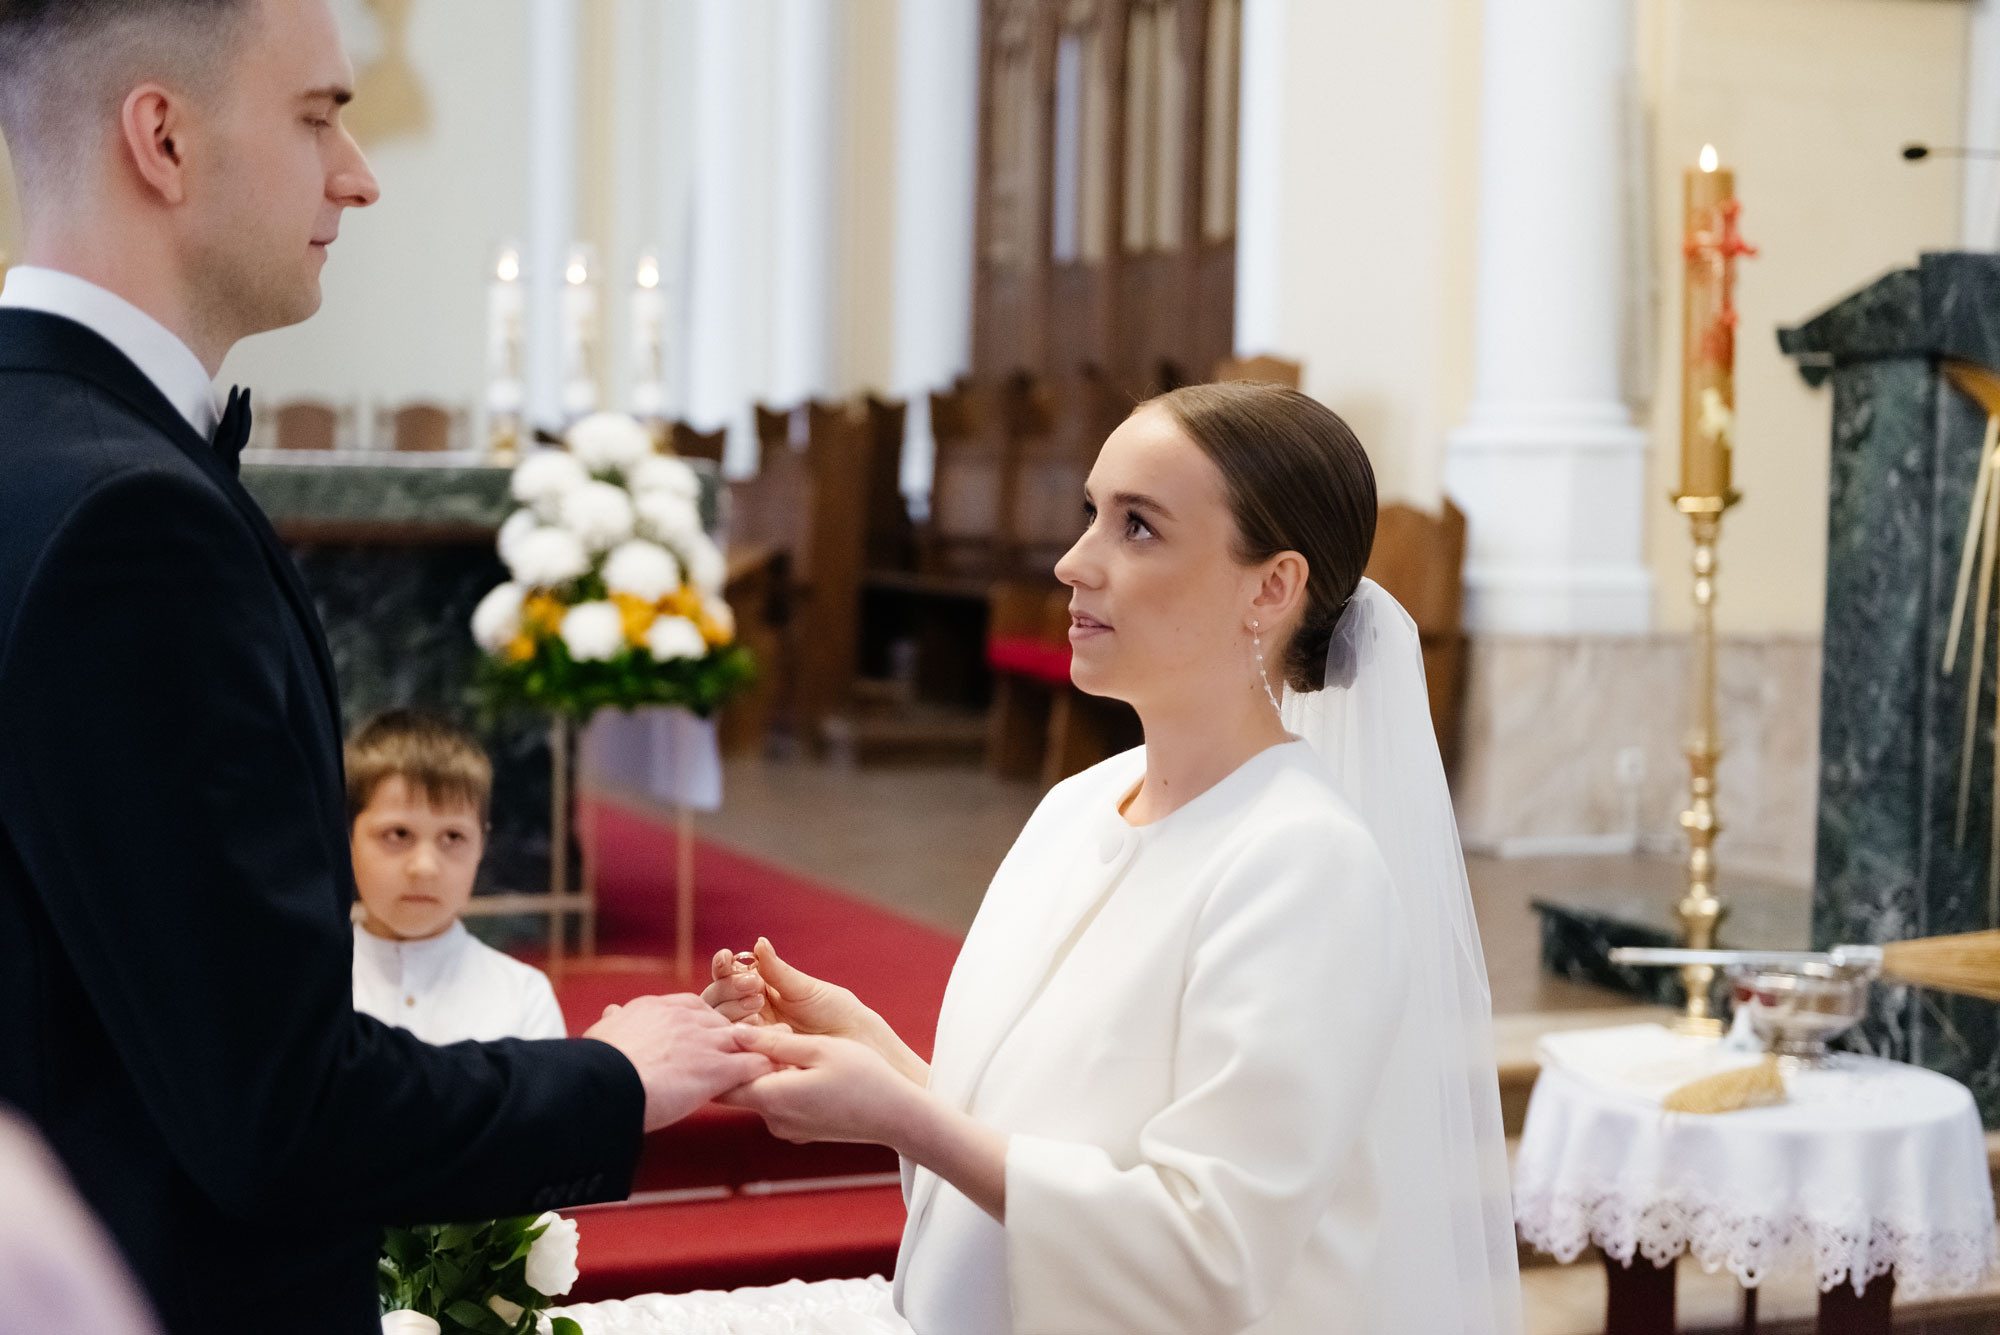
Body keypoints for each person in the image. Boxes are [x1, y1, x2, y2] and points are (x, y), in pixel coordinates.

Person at [0, 3, 771, 1332]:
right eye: (317, 118)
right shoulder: (136, 522)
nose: (357, 176)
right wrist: (608, 1077)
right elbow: (276, 1109)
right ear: (163, 139)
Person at [707, 383, 1523, 1333]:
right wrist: (874, 1054)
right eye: (1090, 513)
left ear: (1271, 588)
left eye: (1138, 527)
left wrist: (902, 1115)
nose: (1072, 562)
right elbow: (1039, 1141)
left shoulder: (1307, 866)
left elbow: (1209, 1251)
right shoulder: (1079, 803)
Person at [346, 709, 568, 1043]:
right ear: (348, 839)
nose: (424, 867)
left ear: (481, 844)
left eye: (452, 837)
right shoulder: (306, 986)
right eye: (398, 834)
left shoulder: (524, 998)